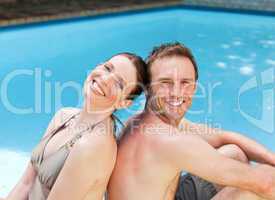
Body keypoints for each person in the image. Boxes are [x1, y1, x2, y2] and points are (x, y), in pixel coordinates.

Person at [108, 43, 275, 200]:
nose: (176, 93)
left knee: (234, 153)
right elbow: (267, 184)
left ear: (194, 87)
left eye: (185, 83)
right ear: (148, 88)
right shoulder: (171, 141)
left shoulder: (142, 120)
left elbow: (223, 137)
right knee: (255, 187)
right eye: (165, 83)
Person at [2, 52, 147, 200]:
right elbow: (25, 184)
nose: (105, 79)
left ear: (124, 103)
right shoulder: (63, 116)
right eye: (107, 68)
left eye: (119, 83)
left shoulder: (94, 146)